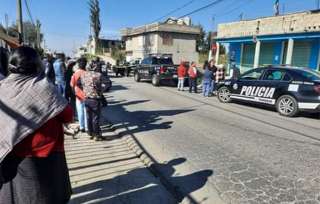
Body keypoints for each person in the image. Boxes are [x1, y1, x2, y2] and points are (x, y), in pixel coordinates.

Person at [0, 46, 72, 204]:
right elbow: (67, 115)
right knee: (48, 196)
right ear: (37, 65)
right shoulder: (45, 88)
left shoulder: (2, 87)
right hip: (47, 155)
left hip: (12, 155)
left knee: (19, 196)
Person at [80, 60, 108, 141]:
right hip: (95, 99)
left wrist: (86, 90)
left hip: (86, 99)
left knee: (89, 117)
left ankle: (90, 133)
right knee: (95, 118)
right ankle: (97, 135)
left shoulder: (83, 75)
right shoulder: (98, 75)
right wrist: (101, 90)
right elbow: (108, 83)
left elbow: (79, 84)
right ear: (95, 66)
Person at [70, 57, 87, 133]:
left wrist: (74, 93)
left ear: (78, 65)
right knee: (86, 111)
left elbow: (72, 85)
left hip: (78, 95)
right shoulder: (88, 73)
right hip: (87, 95)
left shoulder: (75, 74)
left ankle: (82, 126)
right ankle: (87, 127)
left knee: (80, 111)